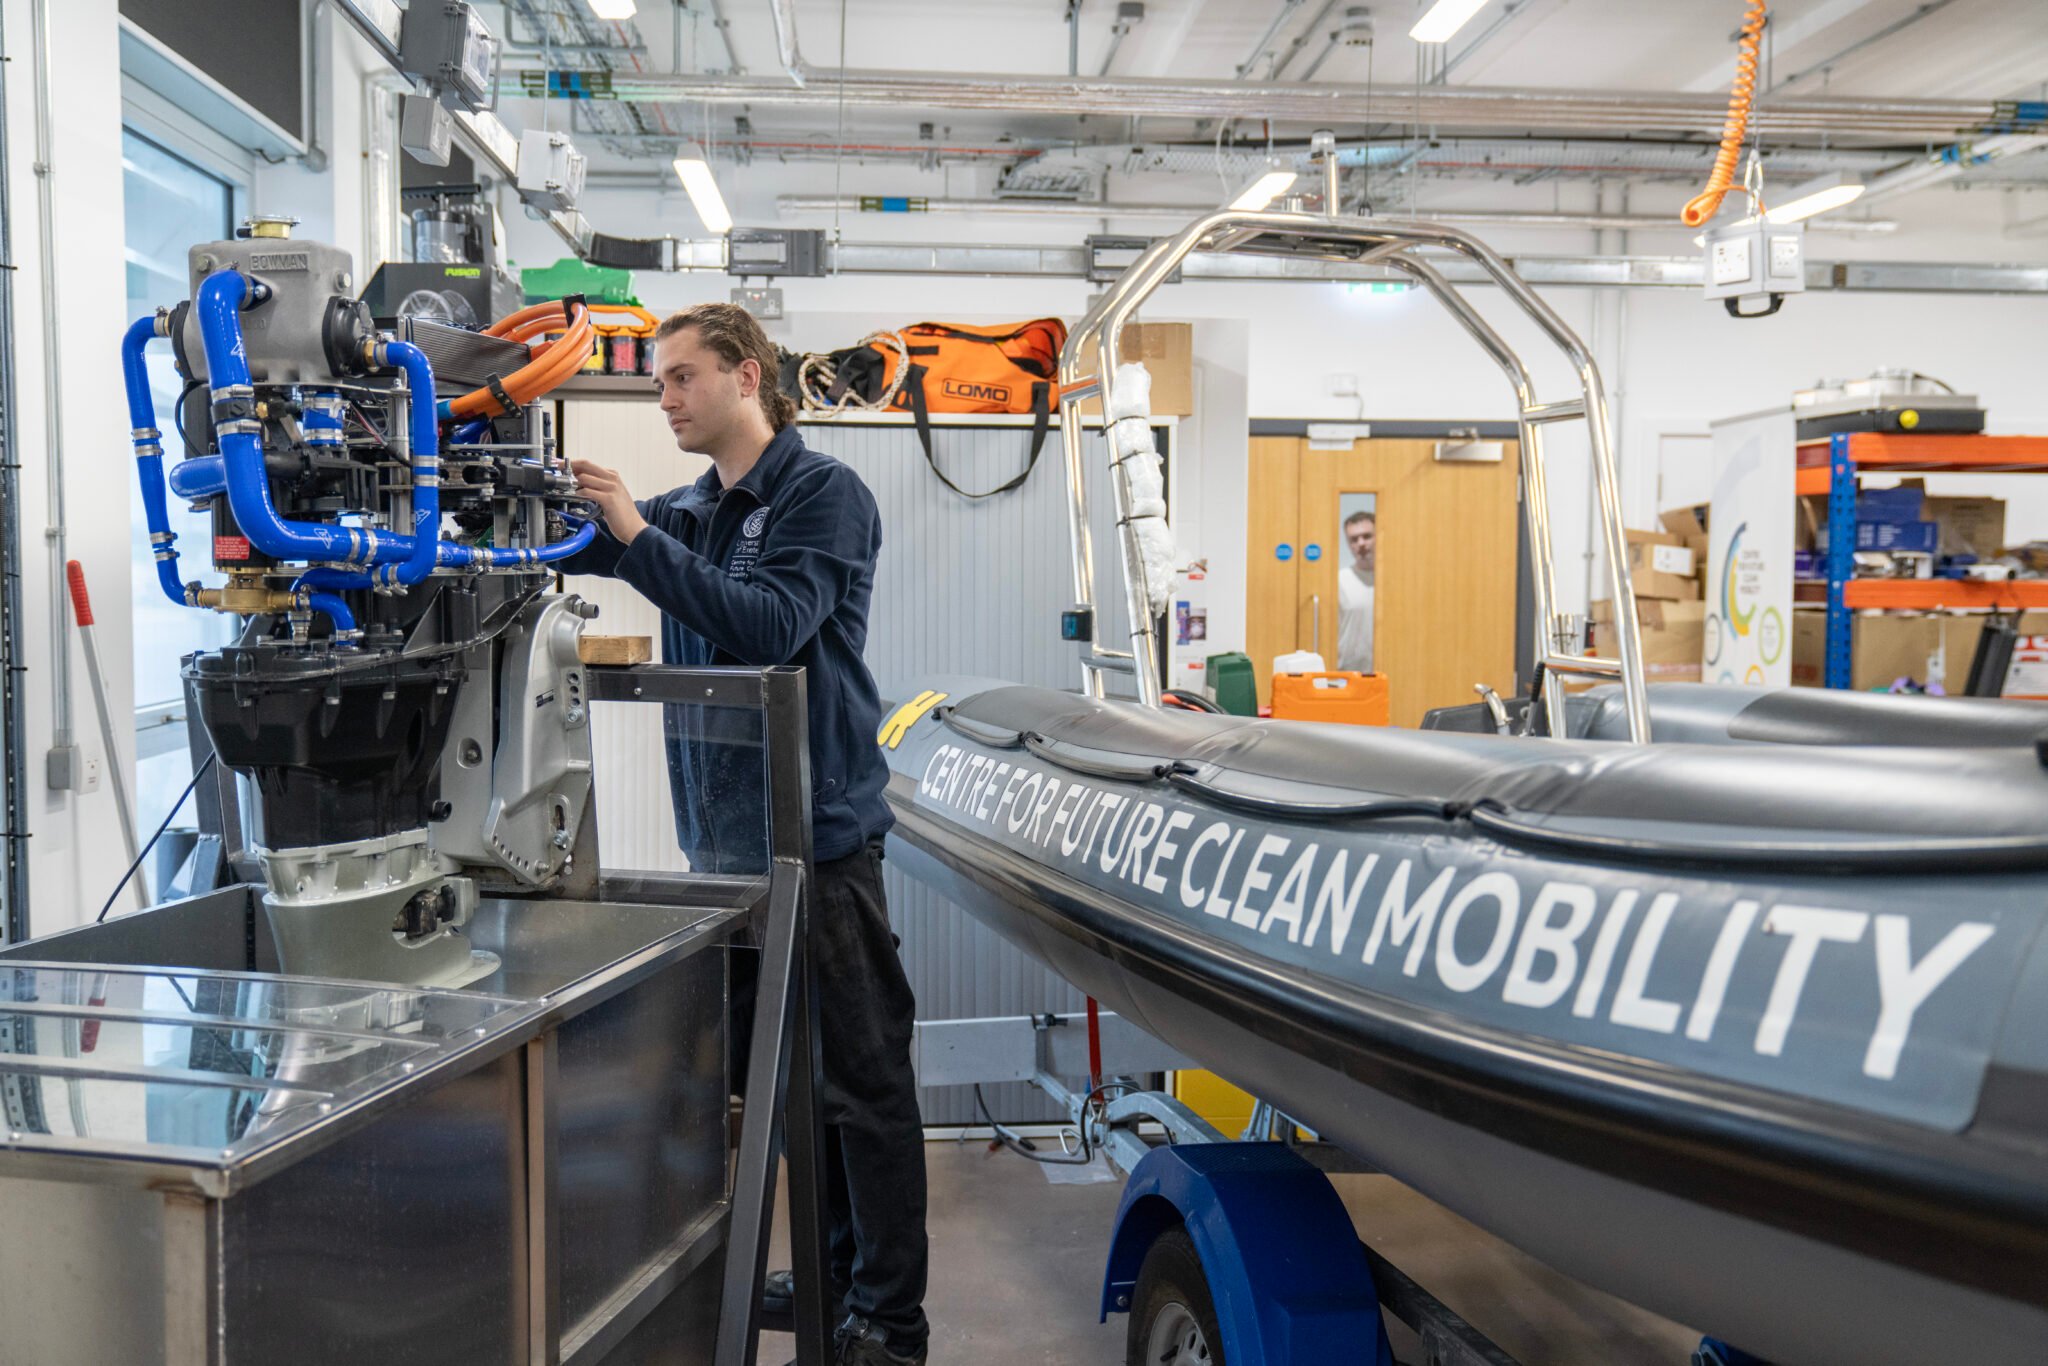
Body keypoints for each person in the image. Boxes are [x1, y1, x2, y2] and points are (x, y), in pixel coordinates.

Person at [560, 304, 928, 1366]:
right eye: (659, 384)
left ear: (745, 376)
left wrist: (633, 534)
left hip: (816, 841)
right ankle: (827, 1269)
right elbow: (589, 549)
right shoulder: (688, 510)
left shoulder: (823, 496)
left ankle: (887, 1320)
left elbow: (764, 624)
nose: (665, 400)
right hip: (722, 854)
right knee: (786, 1088)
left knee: (862, 1086)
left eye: (680, 379)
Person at [1337, 507, 1376, 674]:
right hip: (1346, 676)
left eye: (1367, 536)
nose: (1361, 544)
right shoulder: (1339, 581)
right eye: (1354, 539)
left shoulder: (1395, 582)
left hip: (1388, 673)